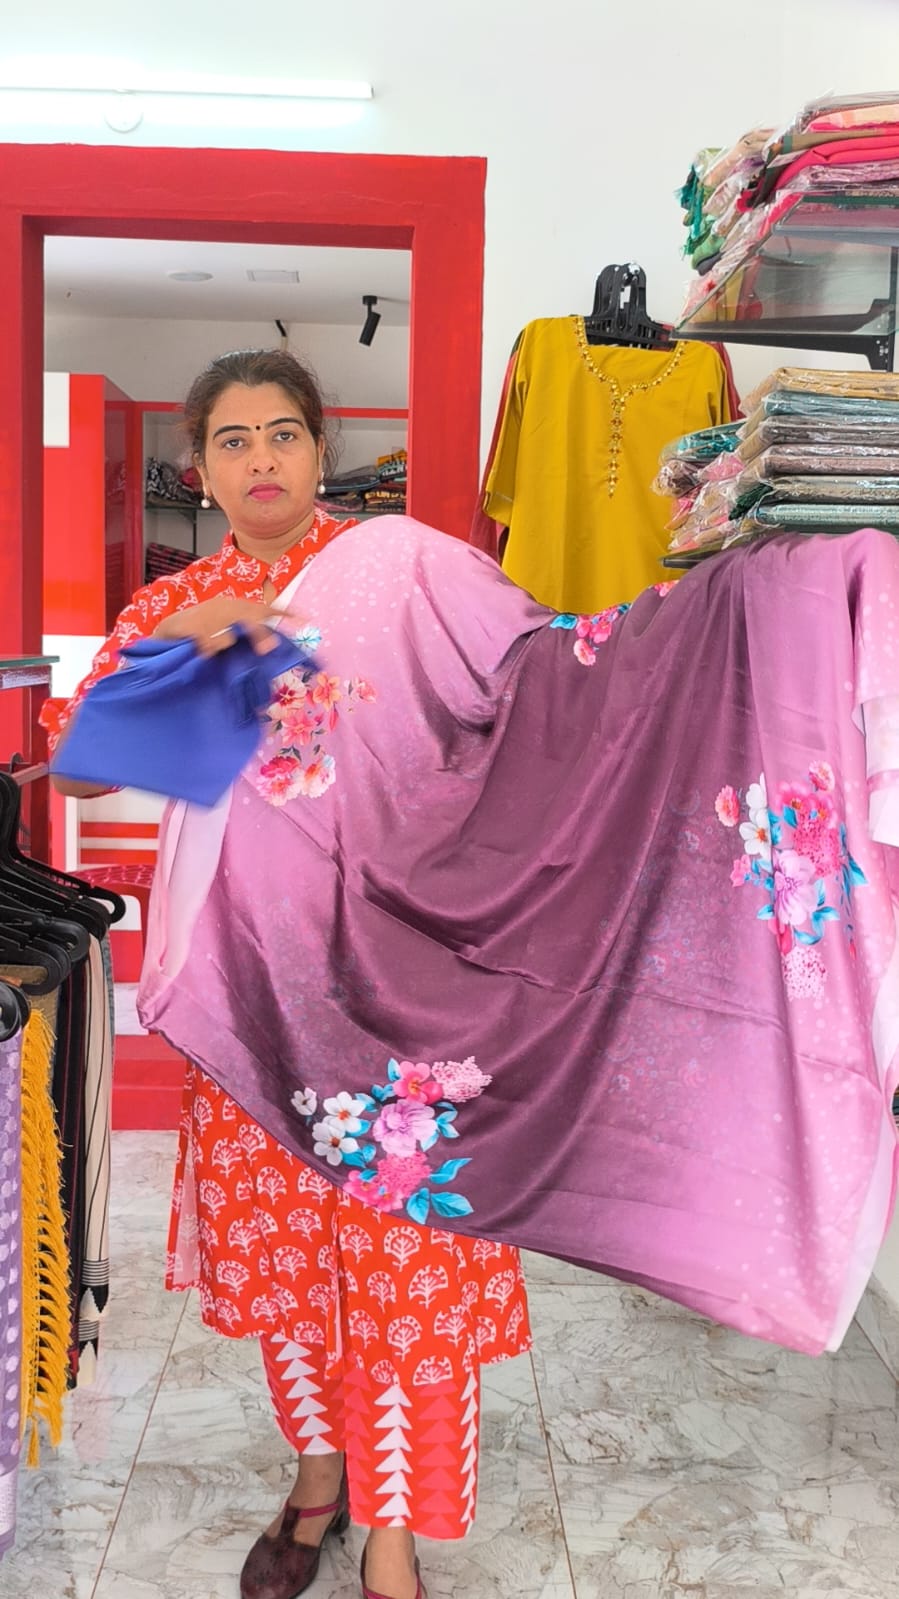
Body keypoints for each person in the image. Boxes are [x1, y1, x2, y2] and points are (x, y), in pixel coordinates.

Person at [47, 349, 531, 1599]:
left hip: (400, 986)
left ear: (323, 453)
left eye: (281, 435)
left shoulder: (400, 579)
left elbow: (525, 707)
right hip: (247, 987)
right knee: (286, 1256)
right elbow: (87, 766)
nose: (259, 460)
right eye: (230, 442)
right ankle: (316, 1484)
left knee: (406, 1256)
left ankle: (393, 1532)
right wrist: (198, 640)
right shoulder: (182, 601)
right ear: (200, 472)